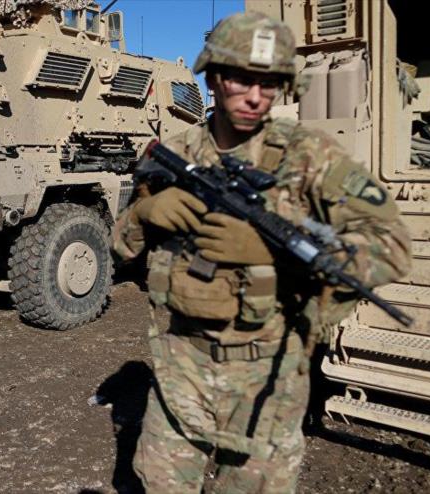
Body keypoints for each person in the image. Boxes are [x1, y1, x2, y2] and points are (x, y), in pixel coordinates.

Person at [112, 11, 411, 493]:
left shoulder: (309, 156)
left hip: (267, 378)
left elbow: (391, 245)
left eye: (268, 83)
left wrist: (274, 251)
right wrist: (143, 216)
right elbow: (120, 247)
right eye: (241, 79)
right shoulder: (175, 151)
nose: (255, 96)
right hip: (179, 371)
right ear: (213, 78)